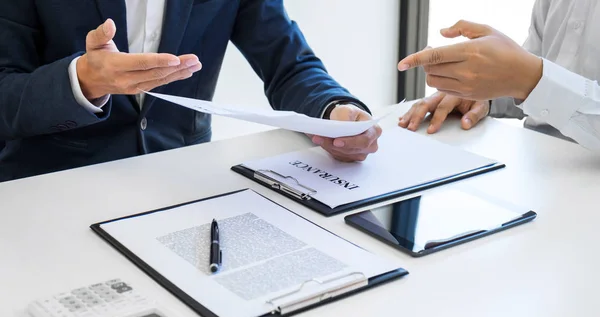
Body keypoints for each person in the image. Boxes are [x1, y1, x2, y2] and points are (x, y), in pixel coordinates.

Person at [0, 1, 380, 182]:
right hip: (50, 186)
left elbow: (289, 65)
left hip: (181, 185)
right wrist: (81, 82)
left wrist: (334, 112)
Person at [397, 0, 600, 151]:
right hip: (535, 164)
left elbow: (536, 79)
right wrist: (484, 95)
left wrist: (528, 79)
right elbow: (539, 73)